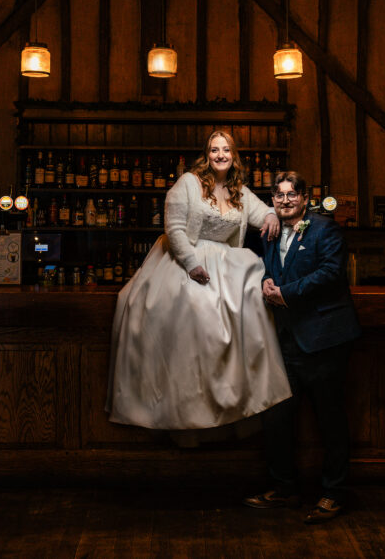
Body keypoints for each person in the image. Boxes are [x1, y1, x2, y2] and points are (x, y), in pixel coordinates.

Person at [107, 131, 291, 432]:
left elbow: (262, 212)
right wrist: (191, 265)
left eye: (226, 150)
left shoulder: (239, 191)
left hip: (225, 263)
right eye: (214, 150)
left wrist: (271, 215)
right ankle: (188, 405)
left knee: (251, 301)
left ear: (234, 156)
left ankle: (234, 395)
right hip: (185, 259)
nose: (220, 155)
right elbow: (175, 229)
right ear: (206, 155)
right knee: (196, 313)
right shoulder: (188, 184)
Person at [243, 171, 362, 524]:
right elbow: (263, 268)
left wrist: (285, 293)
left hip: (325, 340)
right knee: (277, 418)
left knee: (330, 420)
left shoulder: (325, 228)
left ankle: (333, 493)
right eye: (278, 195)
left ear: (305, 198)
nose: (285, 201)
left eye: (291, 195)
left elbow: (331, 273)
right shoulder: (268, 233)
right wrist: (264, 280)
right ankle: (284, 489)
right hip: (286, 342)